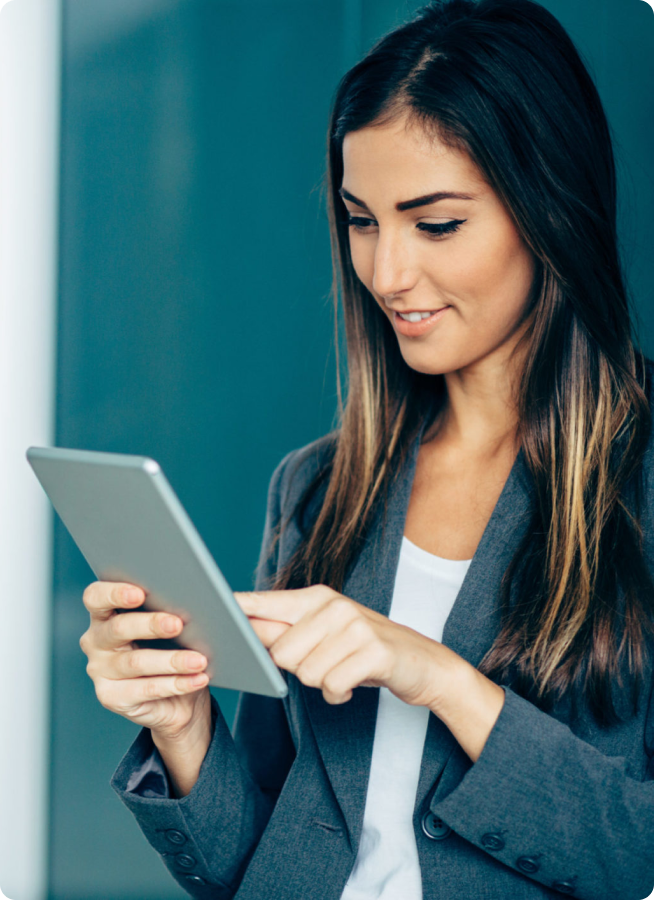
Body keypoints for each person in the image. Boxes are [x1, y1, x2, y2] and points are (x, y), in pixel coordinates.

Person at [78, 0, 654, 897]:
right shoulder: (317, 486)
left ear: (552, 209)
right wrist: (184, 725)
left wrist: (437, 678)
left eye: (436, 224)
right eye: (361, 220)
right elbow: (261, 863)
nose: (386, 274)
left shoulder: (639, 477)